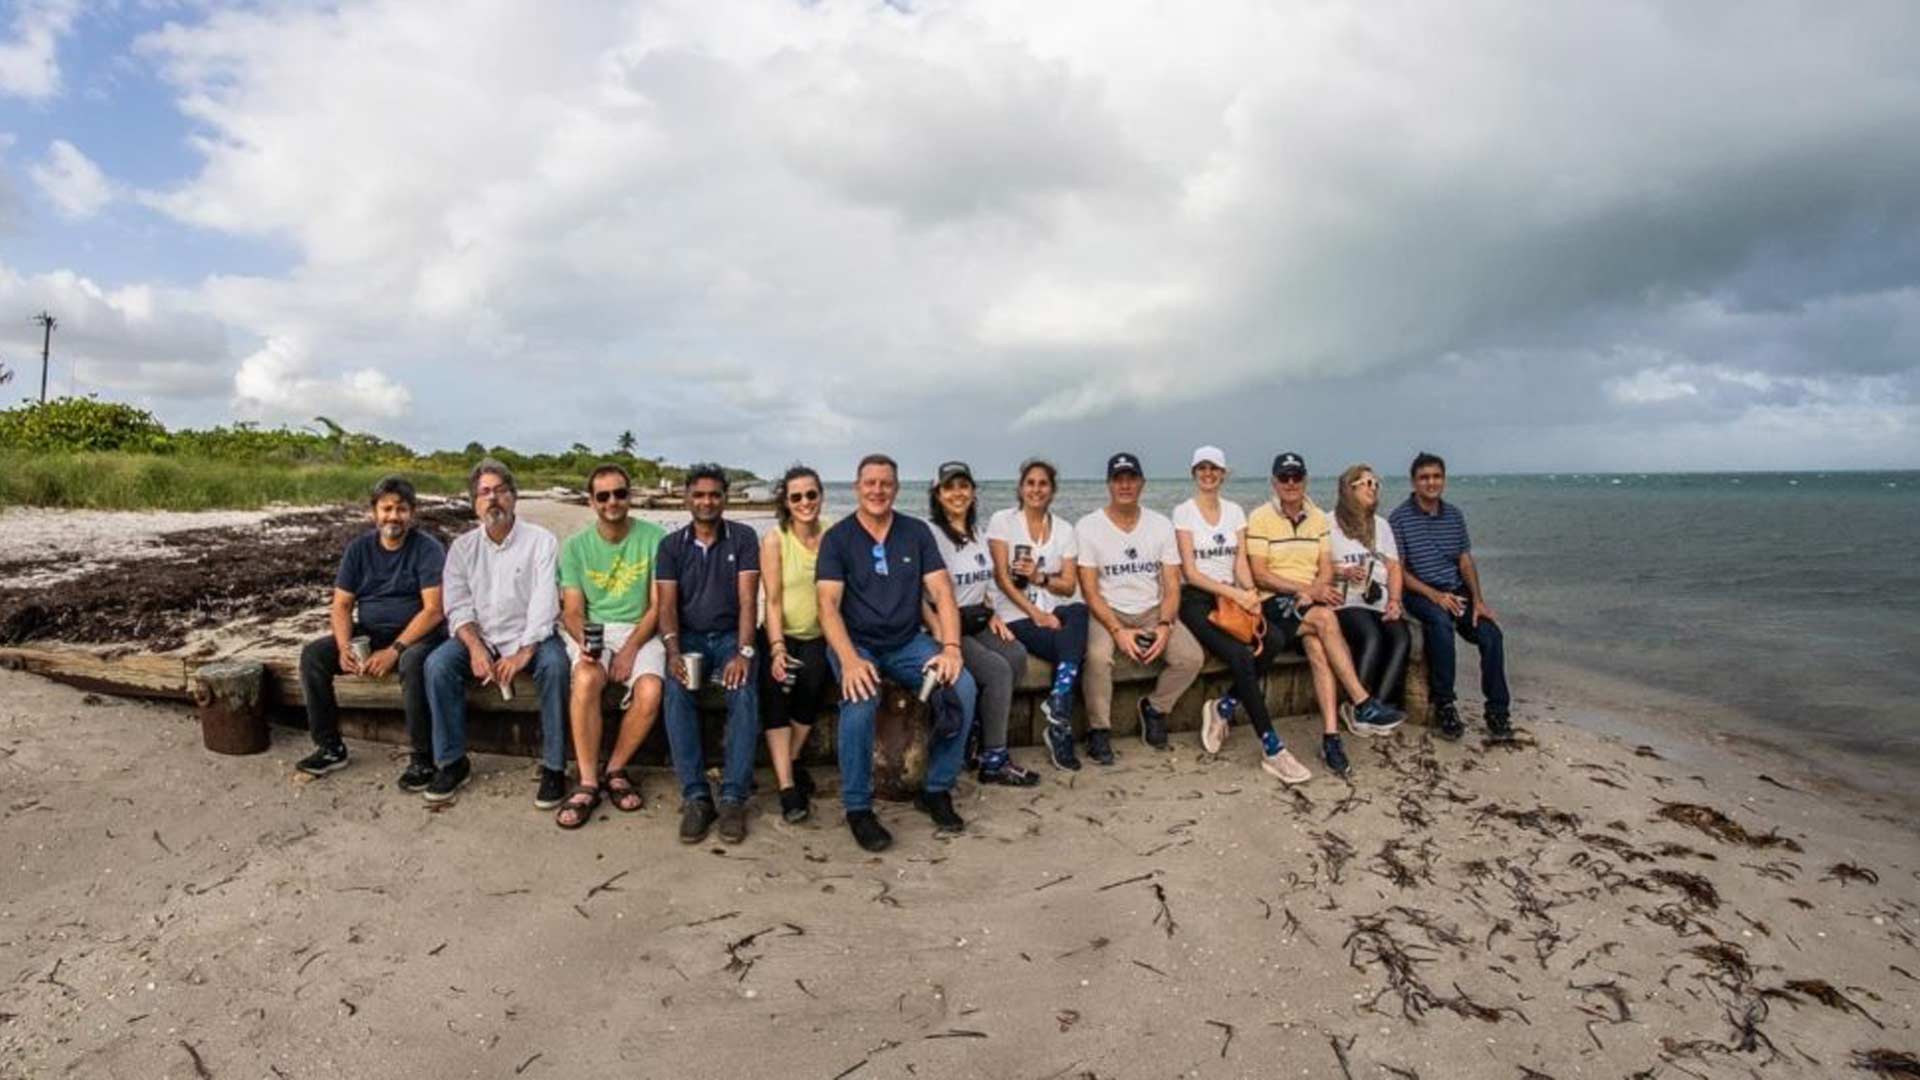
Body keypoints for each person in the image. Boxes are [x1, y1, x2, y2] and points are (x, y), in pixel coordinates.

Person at [816, 453, 977, 852]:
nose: (877, 491)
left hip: (907, 642)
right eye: (869, 483)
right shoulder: (838, 539)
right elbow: (827, 607)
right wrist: (851, 661)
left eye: (885, 483)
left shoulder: (915, 532)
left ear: (896, 488)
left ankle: (936, 788)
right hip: (856, 642)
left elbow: (942, 592)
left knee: (964, 686)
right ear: (857, 488)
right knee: (860, 697)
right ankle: (858, 808)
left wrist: (952, 648)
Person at [1245, 452, 1407, 780]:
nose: (1291, 483)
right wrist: (1305, 590)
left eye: (1296, 477)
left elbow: (1323, 569)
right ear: (1274, 482)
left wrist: (1313, 590)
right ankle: (1362, 702)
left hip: (1307, 602)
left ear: (1304, 479)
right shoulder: (1260, 517)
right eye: (1284, 478)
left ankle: (1331, 738)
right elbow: (1260, 574)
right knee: (1326, 620)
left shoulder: (1318, 518)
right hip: (1275, 601)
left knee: (1319, 649)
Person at [424, 459, 571, 806]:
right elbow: (457, 606)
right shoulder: (462, 548)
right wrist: (475, 648)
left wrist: (523, 652)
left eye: (500, 491)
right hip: (483, 637)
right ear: (475, 503)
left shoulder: (541, 541)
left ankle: (553, 767)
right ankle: (452, 762)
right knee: (437, 666)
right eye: (484, 493)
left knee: (556, 667)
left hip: (533, 635)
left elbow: (545, 601)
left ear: (514, 497)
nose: (493, 499)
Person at [295, 476, 448, 788]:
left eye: (401, 509)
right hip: (371, 630)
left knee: (412, 663)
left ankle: (422, 757)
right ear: (373, 512)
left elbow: (434, 609)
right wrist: (343, 647)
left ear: (412, 513)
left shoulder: (427, 548)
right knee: (313, 656)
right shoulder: (359, 549)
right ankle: (330, 746)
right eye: (386, 508)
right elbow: (341, 605)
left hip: (419, 634)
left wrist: (394, 650)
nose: (393, 516)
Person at [1171, 447, 1312, 784]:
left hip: (1233, 600)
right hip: (1198, 601)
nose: (1208, 474)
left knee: (1275, 638)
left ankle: (1222, 707)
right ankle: (1272, 747)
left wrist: (1250, 594)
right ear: (1194, 473)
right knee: (1239, 656)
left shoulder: (1234, 512)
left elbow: (1239, 564)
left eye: (1214, 468)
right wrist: (1235, 593)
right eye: (1202, 468)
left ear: (1224, 473)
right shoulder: (1184, 512)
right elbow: (1190, 572)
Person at [552, 463, 668, 829]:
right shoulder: (575, 547)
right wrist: (586, 643)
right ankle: (587, 780)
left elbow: (658, 605)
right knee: (586, 679)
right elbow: (571, 610)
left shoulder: (655, 538)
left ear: (629, 496)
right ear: (592, 502)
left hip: (641, 629)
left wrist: (632, 649)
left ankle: (615, 768)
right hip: (595, 629)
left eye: (620, 493)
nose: (612, 501)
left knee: (650, 690)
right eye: (603, 496)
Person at [1074, 452, 1204, 762]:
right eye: (1118, 479)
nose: (1125, 485)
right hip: (1107, 610)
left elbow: (1172, 585)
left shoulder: (1160, 525)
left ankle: (1155, 708)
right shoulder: (1088, 526)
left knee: (1191, 658)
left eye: (1131, 478)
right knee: (1097, 658)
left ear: (1142, 483)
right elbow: (1090, 591)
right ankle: (1099, 730)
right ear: (1109, 484)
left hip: (1151, 609)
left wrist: (1164, 625)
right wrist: (1118, 631)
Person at [657, 464, 762, 845]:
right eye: (699, 495)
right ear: (687, 498)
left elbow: (749, 599)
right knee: (676, 689)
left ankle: (734, 797)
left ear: (724, 498)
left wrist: (745, 651)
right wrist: (673, 650)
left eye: (714, 495)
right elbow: (666, 606)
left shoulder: (744, 537)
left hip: (733, 634)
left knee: (744, 689)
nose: (706, 501)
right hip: (689, 638)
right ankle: (696, 796)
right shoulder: (671, 546)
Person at [928, 461, 1040, 787]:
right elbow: (919, 590)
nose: (957, 493)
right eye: (949, 487)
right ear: (938, 494)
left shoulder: (977, 534)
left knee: (1016, 654)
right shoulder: (930, 534)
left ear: (973, 492)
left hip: (976, 617)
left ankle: (977, 730)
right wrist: (937, 627)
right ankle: (995, 759)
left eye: (963, 486)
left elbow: (986, 583)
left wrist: (994, 615)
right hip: (947, 624)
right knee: (996, 670)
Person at [1388, 452, 1513, 741]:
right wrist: (1434, 595)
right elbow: (1400, 570)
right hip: (1419, 591)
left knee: (1491, 635)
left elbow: (1465, 560)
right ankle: (1445, 703)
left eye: (1436, 476)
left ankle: (1497, 711)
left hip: (1456, 591)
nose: (1431, 482)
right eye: (1424, 477)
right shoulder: (1400, 518)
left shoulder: (1454, 515)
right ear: (1414, 482)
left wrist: (1478, 600)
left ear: (1443, 479)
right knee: (1440, 627)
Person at [986, 458, 1089, 771]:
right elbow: (1002, 579)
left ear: (1052, 490)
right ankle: (1060, 730)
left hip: (1054, 607)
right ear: (1020, 487)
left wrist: (1040, 577)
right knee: (1073, 652)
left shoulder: (1065, 530)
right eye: (1030, 483)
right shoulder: (1003, 522)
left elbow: (1069, 585)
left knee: (1080, 612)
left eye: (1043, 483)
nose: (1036, 489)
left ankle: (1057, 701)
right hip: (1016, 614)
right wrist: (1036, 614)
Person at [758, 464, 832, 823]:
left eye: (811, 494)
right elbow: (771, 600)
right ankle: (787, 786)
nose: (805, 502)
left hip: (820, 634)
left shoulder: (833, 533)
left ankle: (793, 757)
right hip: (780, 633)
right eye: (797, 497)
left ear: (821, 496)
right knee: (774, 690)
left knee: (813, 684)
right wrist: (776, 649)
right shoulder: (776, 539)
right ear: (786, 503)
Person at [1329, 464, 1411, 724]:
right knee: (1371, 636)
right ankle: (1357, 707)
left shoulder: (1382, 526)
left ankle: (1380, 706)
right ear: (1348, 488)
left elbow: (1394, 567)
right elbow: (1314, 565)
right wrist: (1343, 570)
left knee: (1401, 638)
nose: (1373, 488)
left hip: (1380, 598)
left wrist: (1395, 601)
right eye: (1366, 483)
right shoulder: (1328, 522)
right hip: (1347, 598)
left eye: (1376, 483)